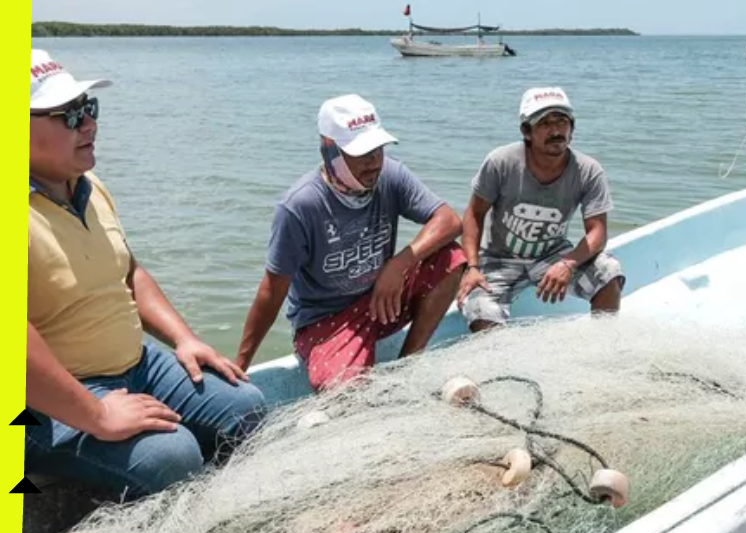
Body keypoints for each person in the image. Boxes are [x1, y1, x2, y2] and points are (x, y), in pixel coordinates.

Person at [27, 49, 267, 500]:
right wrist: (97, 415)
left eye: (89, 108)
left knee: (247, 407)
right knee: (172, 459)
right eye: (69, 115)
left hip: (137, 363)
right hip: (46, 400)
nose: (89, 124)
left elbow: (130, 271)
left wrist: (184, 339)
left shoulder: (90, 185)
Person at [236, 94, 466, 392]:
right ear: (329, 149)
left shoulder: (390, 174)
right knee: (345, 392)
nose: (374, 162)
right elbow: (271, 291)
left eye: (378, 149)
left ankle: (409, 362)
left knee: (450, 258)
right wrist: (241, 363)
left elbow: (449, 220)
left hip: (382, 298)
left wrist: (399, 263)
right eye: (361, 153)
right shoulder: (300, 206)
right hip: (326, 321)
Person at [457, 87, 624, 331]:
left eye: (562, 122)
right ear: (527, 131)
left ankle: (603, 342)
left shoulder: (588, 170)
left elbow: (597, 233)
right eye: (545, 123)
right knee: (479, 308)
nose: (556, 131)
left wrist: (567, 264)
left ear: (572, 129)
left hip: (552, 255)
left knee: (609, 270)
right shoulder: (501, 162)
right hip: (498, 259)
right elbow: (474, 214)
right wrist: (471, 267)